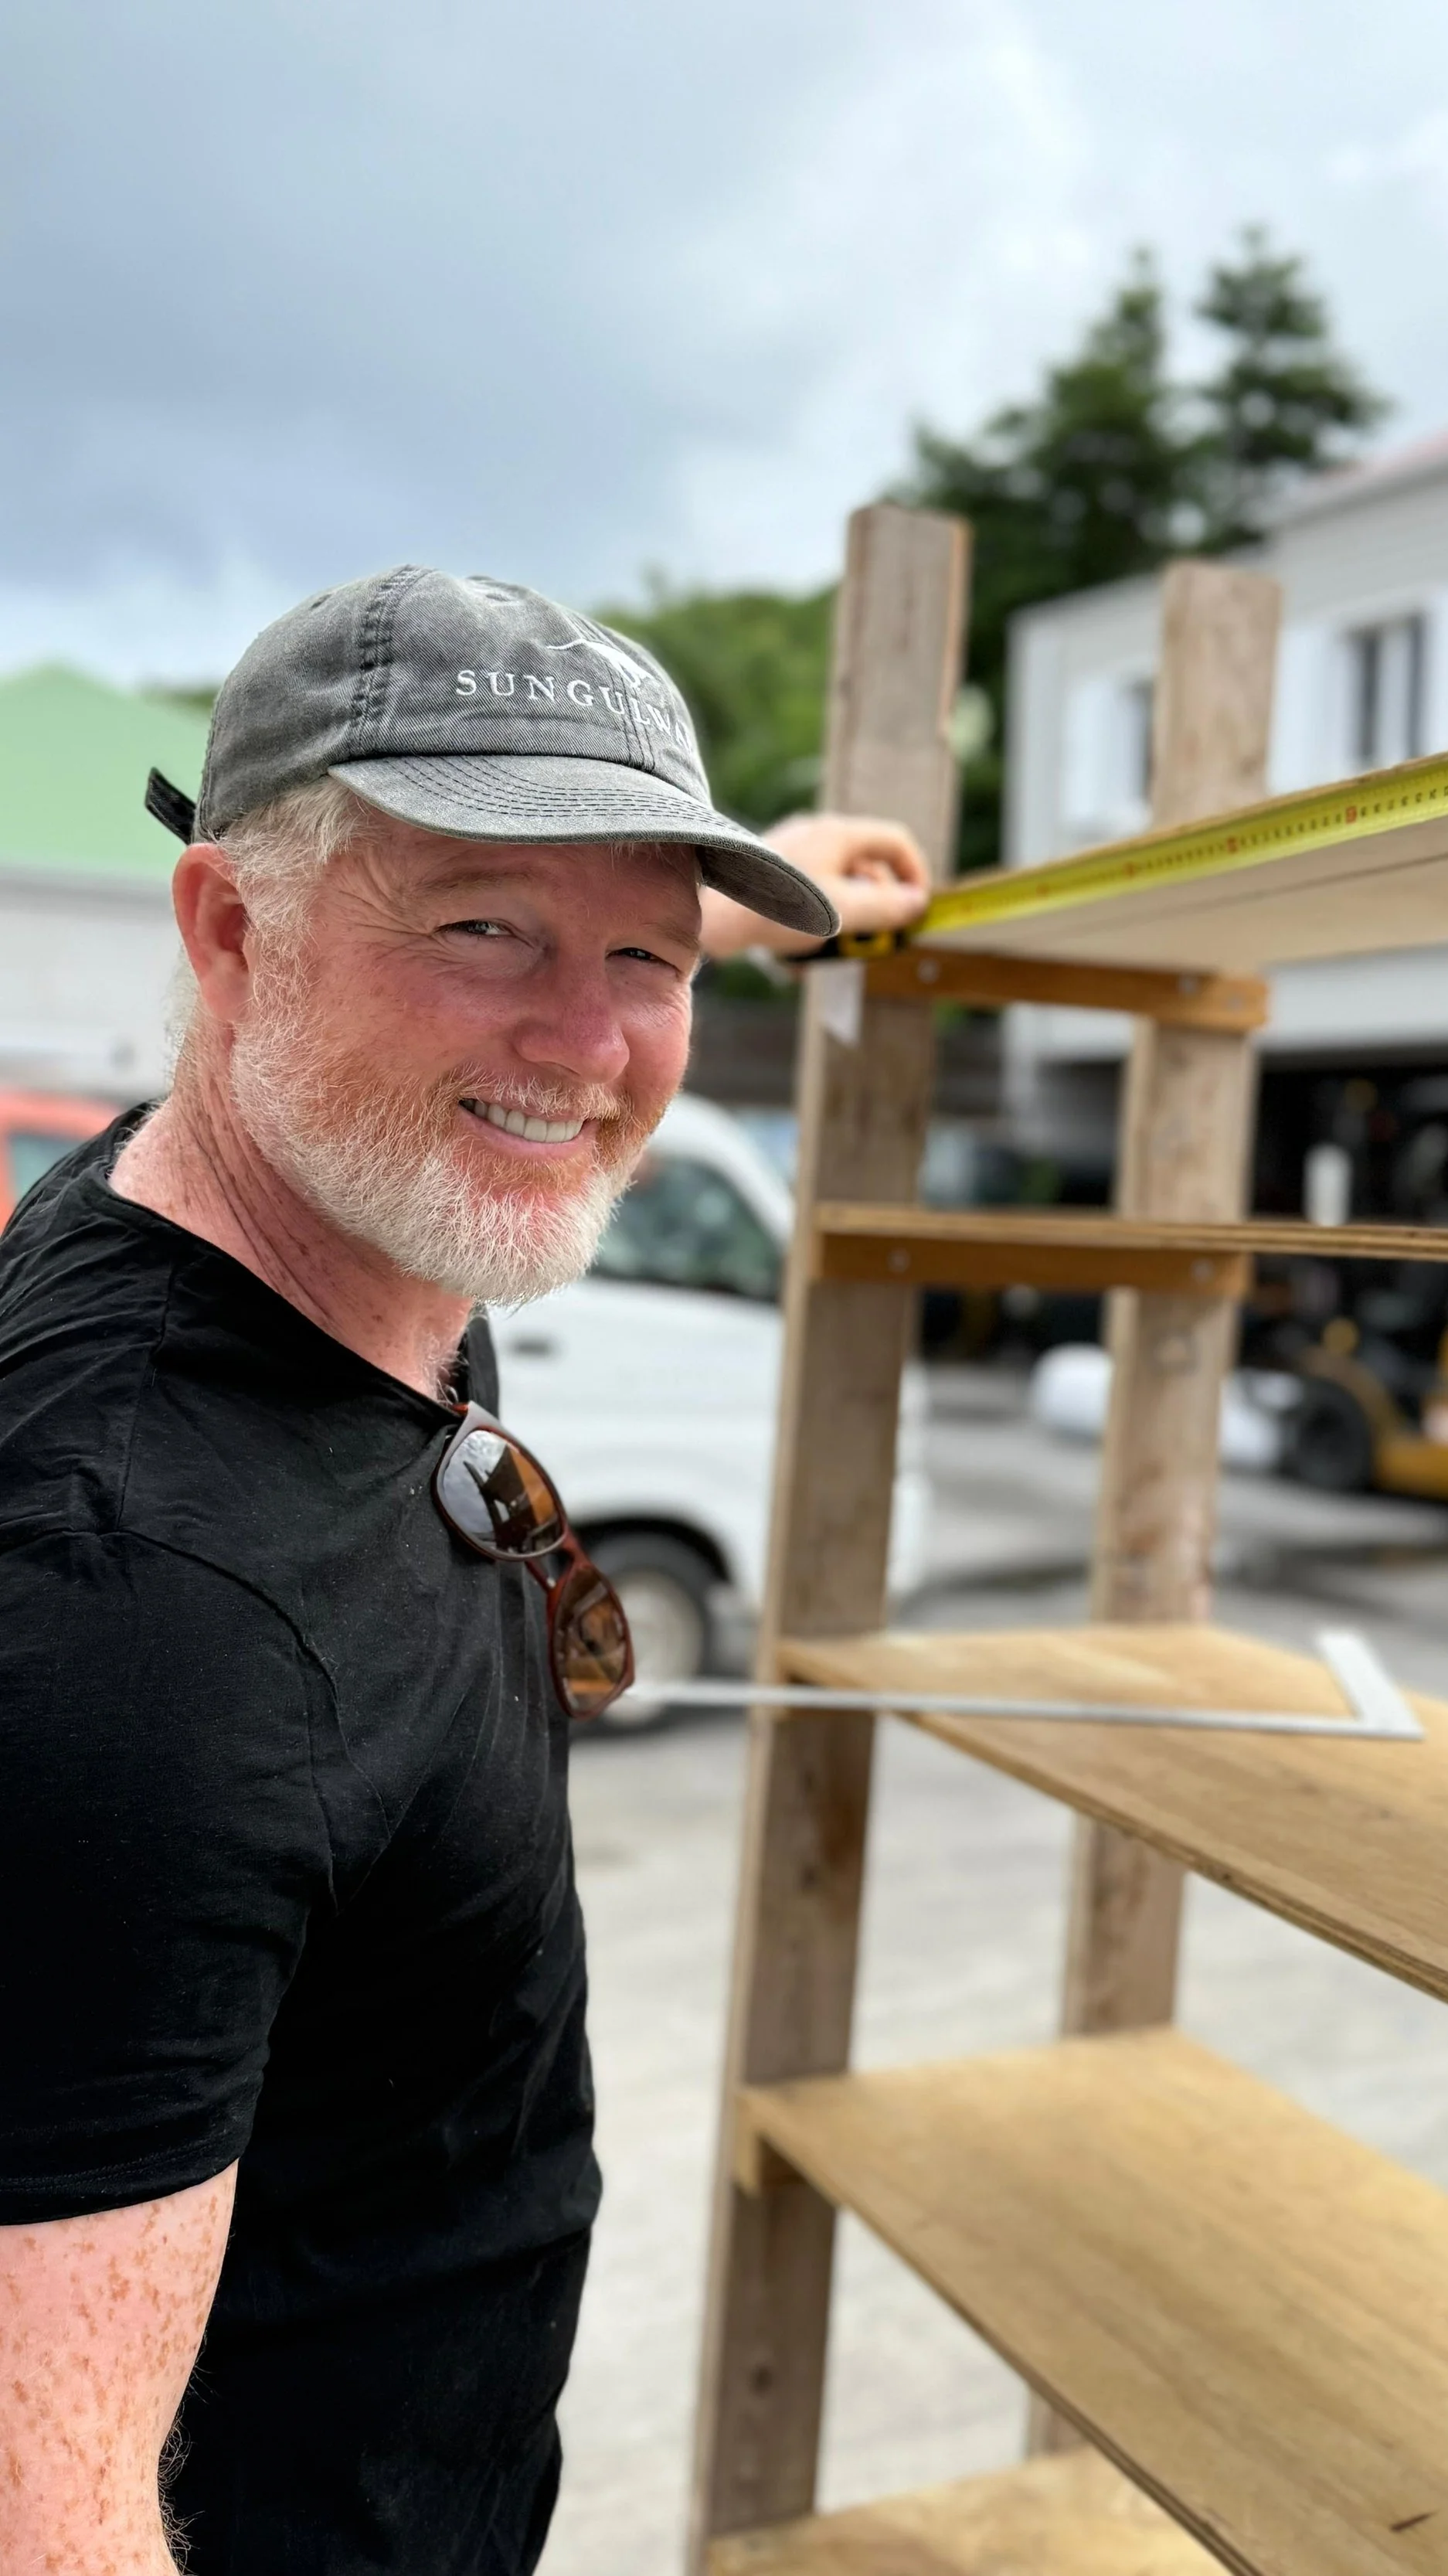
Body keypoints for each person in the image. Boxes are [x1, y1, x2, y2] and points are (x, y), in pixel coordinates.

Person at [0, 567, 930, 2574]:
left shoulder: (299, 1203)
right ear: (230, 929)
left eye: (653, 954)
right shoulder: (148, 1617)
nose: (589, 1042)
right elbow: (42, 2518)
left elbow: (551, 1029)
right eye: (483, 922)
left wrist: (791, 888)